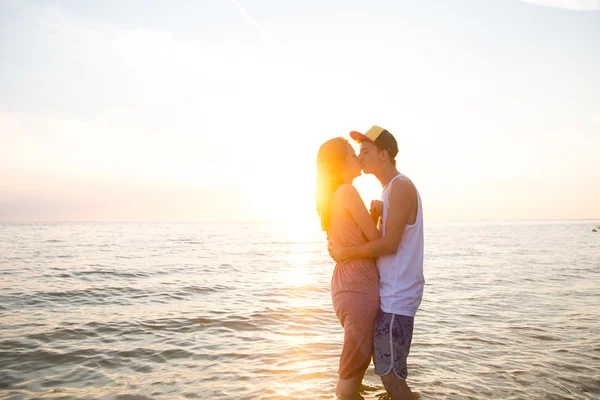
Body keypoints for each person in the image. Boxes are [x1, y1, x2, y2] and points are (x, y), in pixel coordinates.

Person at [328, 126, 425, 400]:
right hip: (389, 295)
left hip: (397, 297)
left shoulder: (401, 186)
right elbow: (388, 239)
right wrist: (378, 215)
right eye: (357, 152)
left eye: (365, 151)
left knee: (391, 378)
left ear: (384, 154)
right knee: (388, 373)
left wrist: (347, 253)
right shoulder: (389, 191)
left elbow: (390, 244)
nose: (360, 157)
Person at [315, 137, 381, 399]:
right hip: (357, 284)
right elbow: (377, 243)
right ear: (341, 164)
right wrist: (384, 216)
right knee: (354, 361)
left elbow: (356, 238)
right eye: (353, 155)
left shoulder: (335, 195)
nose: (358, 159)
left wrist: (373, 216)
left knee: (358, 356)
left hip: (346, 283)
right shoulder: (347, 192)